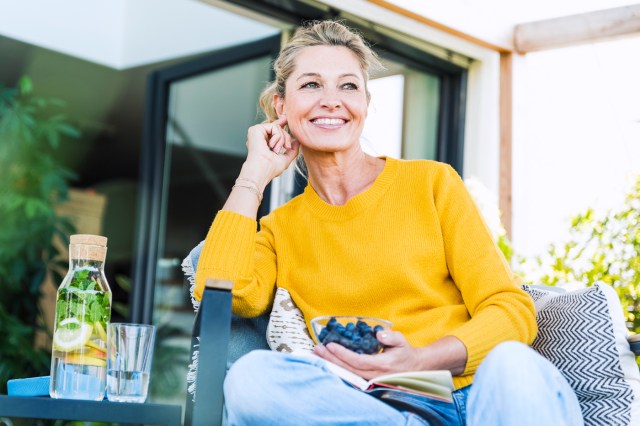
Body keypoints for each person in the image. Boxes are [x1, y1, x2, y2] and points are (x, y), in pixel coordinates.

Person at [194, 20, 583, 426]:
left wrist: (420, 358)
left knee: (512, 364)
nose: (331, 100)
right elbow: (219, 291)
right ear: (280, 106)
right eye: (311, 85)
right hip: (375, 409)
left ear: (365, 102)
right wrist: (253, 175)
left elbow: (510, 310)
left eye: (348, 86)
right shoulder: (280, 229)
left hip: (476, 395)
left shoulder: (432, 183)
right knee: (250, 380)